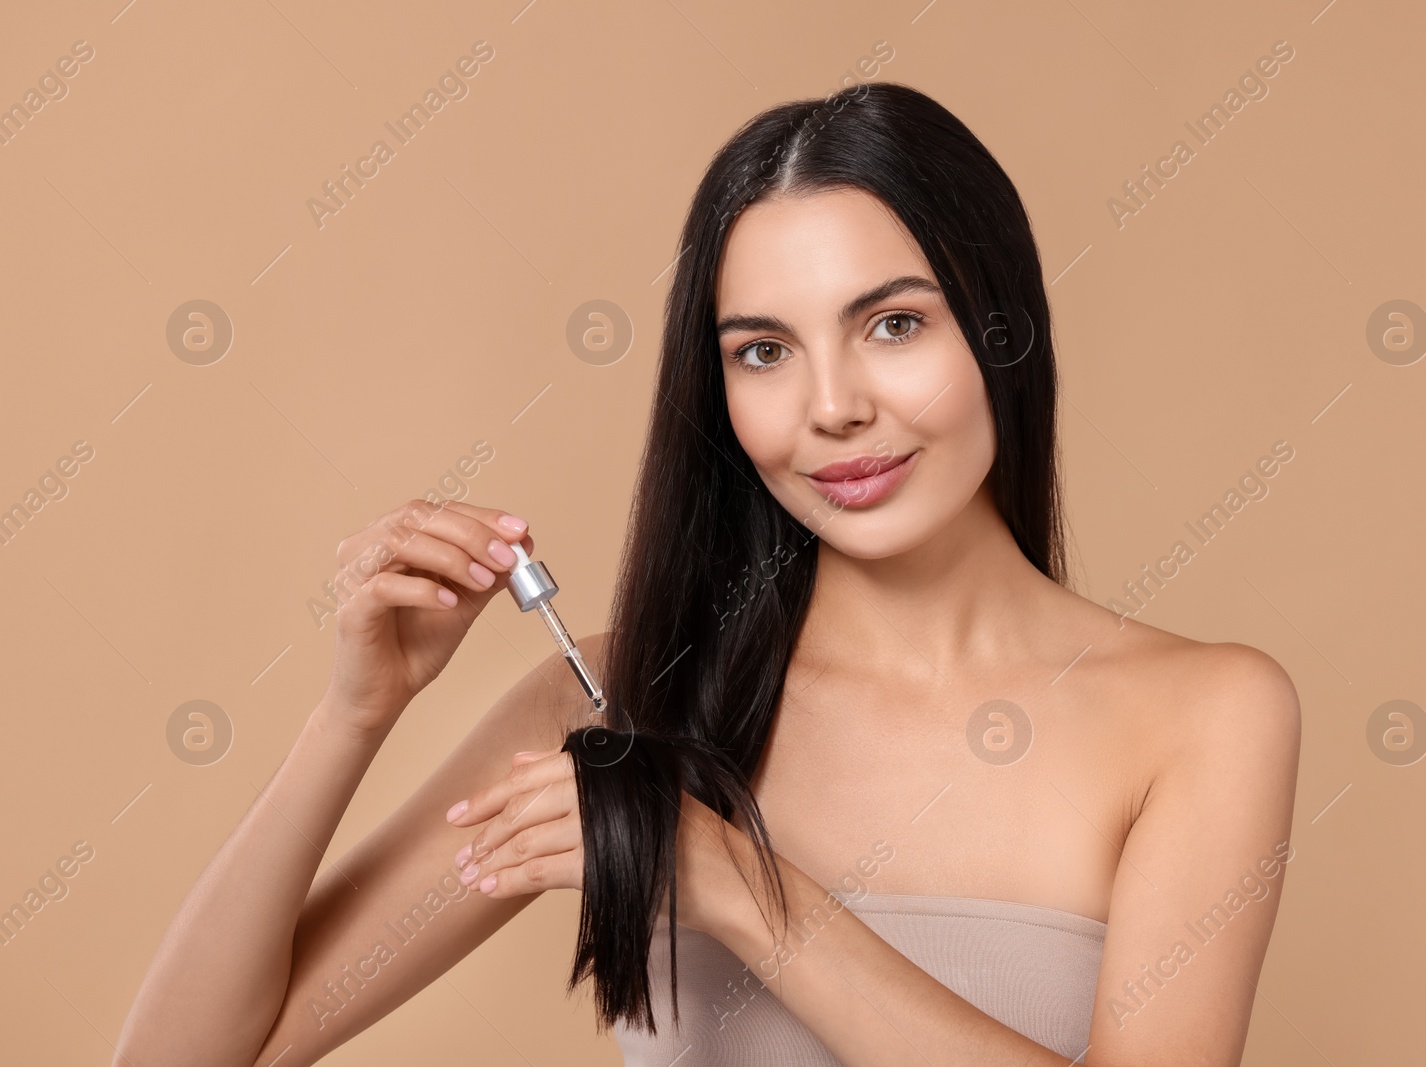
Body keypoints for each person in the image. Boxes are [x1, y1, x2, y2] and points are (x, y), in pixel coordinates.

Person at [113, 81, 1299, 1067]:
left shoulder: (1201, 715)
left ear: (1001, 330)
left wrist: (736, 885)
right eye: (764, 352)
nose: (832, 407)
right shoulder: (620, 702)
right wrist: (354, 713)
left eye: (893, 324)